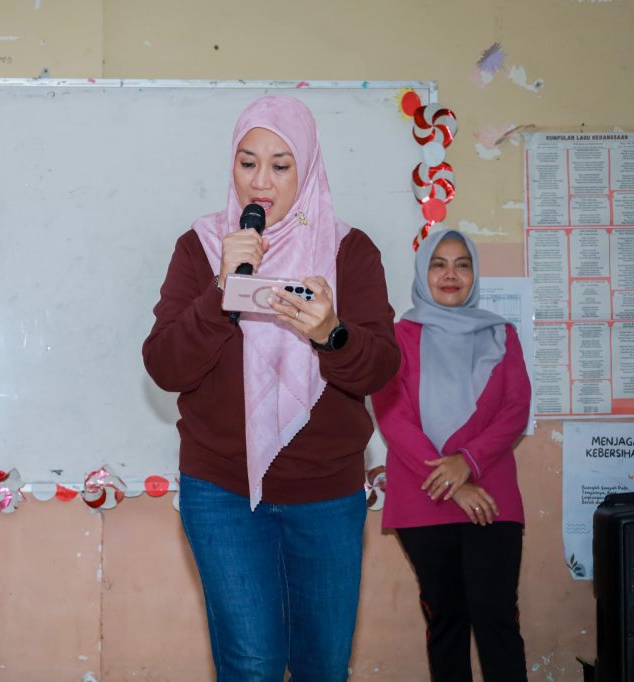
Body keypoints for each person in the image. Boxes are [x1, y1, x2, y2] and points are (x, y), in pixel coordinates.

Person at [142, 95, 400, 681]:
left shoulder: (349, 252)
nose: (261, 182)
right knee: (251, 665)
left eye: (281, 165)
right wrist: (221, 291)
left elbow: (381, 368)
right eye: (247, 162)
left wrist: (331, 334)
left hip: (327, 494)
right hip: (223, 492)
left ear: (305, 169)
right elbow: (164, 367)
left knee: (322, 667)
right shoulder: (201, 247)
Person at [372, 229, 531, 681]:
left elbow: (516, 409)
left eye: (463, 264)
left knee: (496, 618)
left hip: (491, 496)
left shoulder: (502, 334)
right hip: (423, 495)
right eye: (438, 264)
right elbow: (393, 416)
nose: (450, 275)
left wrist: (468, 463)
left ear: (474, 274)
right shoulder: (397, 338)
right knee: (447, 622)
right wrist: (452, 483)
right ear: (423, 272)